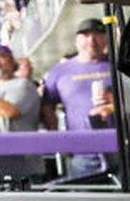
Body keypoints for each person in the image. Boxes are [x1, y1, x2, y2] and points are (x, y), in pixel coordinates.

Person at [40, 18, 115, 177]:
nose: (92, 40)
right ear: (77, 40)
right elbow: (47, 106)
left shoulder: (119, 66)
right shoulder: (59, 71)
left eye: (97, 35)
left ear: (106, 38)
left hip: (121, 148)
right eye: (86, 35)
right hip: (82, 153)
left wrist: (116, 102)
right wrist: (57, 137)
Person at [0, 45, 43, 179]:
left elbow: (10, 111)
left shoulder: (22, 85)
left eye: (1, 57)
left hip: (20, 163)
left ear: (12, 61)